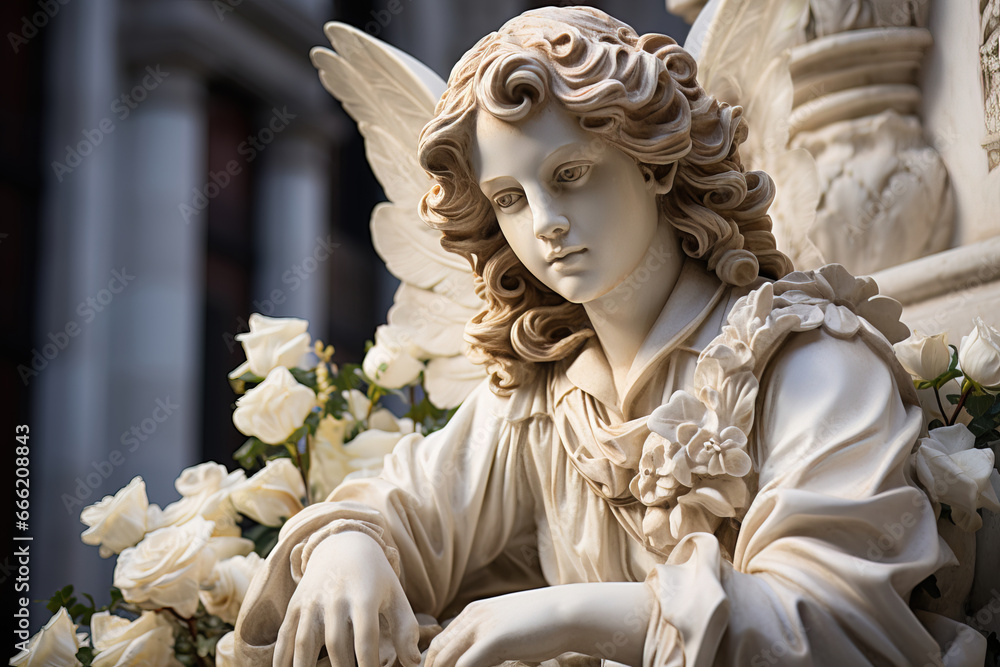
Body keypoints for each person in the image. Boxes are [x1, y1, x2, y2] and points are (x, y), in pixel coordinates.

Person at [235, 7, 982, 666]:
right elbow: (404, 502)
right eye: (509, 199)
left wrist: (570, 613)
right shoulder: (547, 402)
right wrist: (349, 546)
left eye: (570, 173)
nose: (544, 224)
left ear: (652, 162)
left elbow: (842, 628)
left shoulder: (807, 360)